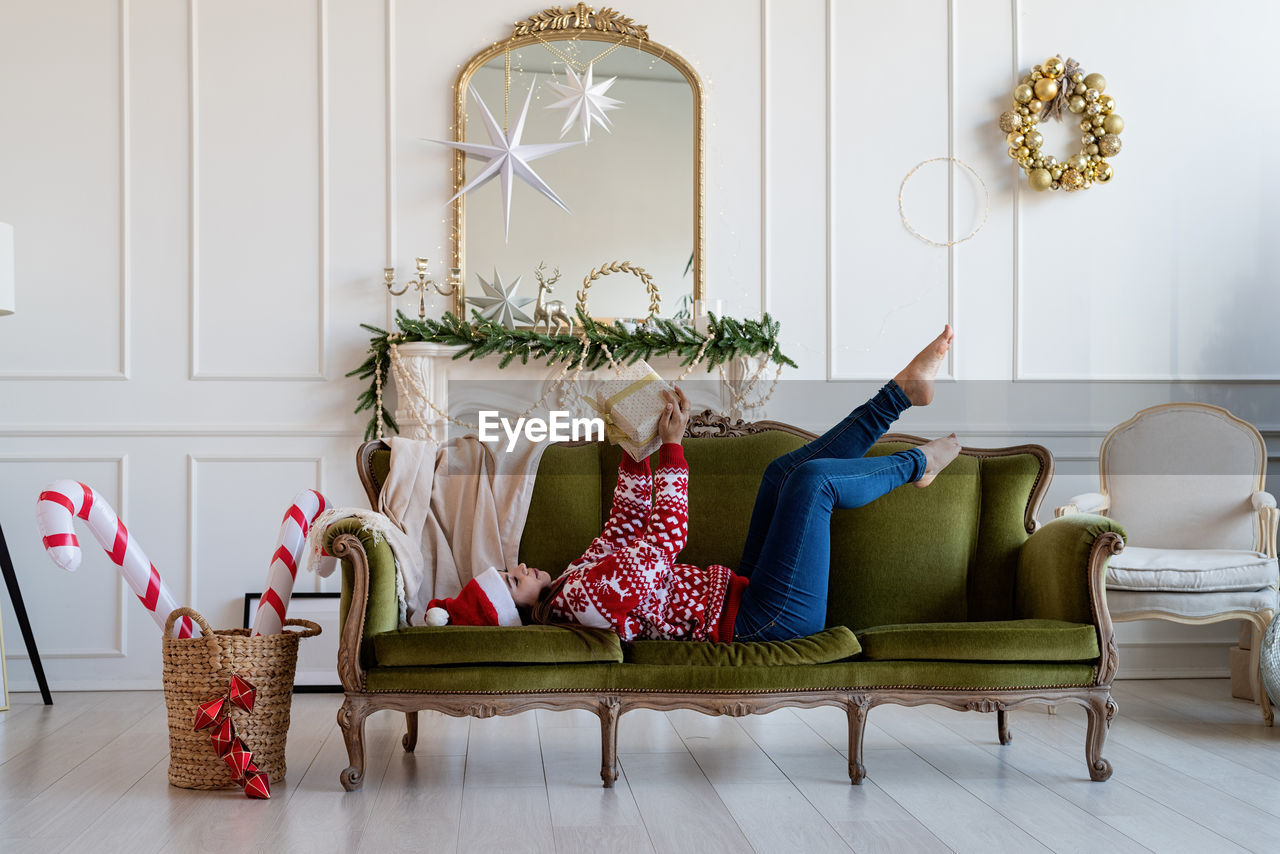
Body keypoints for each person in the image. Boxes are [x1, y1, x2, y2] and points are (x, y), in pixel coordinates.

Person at [423, 326, 962, 643]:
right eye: (511, 580)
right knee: (815, 484)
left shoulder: (573, 580)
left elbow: (623, 529)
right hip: (766, 620)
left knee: (781, 477)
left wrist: (638, 451)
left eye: (508, 569)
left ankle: (902, 393)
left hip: (744, 595)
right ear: (517, 611)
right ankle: (918, 464)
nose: (519, 567)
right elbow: (663, 542)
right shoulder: (584, 605)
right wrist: (675, 450)